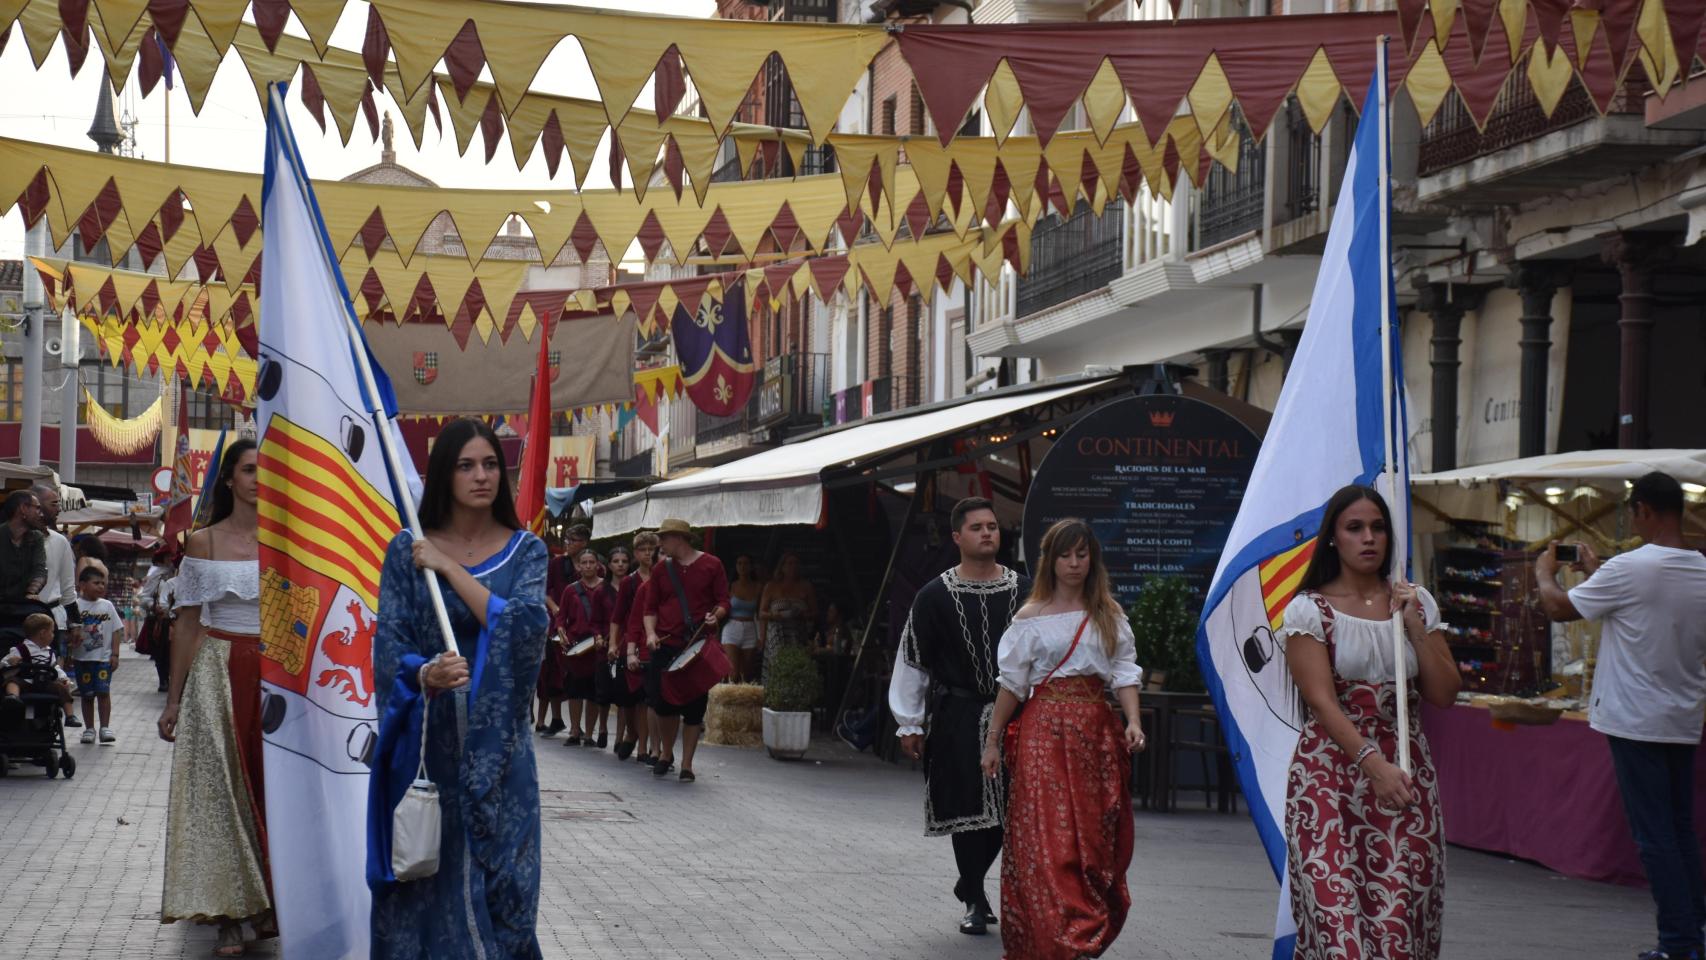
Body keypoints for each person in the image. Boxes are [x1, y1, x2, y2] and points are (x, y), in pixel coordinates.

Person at [368, 417, 550, 959]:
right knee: (425, 880)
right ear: (443, 474)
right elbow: (388, 646)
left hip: (500, 754)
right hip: (430, 750)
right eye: (466, 465)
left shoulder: (527, 551)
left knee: (508, 887)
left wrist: (449, 568)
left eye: (491, 464)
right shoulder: (407, 551)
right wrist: (424, 674)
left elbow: (522, 628)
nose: (481, 476)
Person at [1281, 484, 1459, 960]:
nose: (1369, 538)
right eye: (1355, 527)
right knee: (1337, 926)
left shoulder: (1414, 601)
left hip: (1405, 773)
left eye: (1378, 527)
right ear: (1334, 538)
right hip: (1331, 778)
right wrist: (1370, 764)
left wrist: (1415, 627)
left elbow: (1444, 693)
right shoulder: (1308, 609)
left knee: (1398, 922)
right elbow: (1322, 704)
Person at [1536, 471, 1706, 960]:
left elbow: (1558, 608)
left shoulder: (1631, 567)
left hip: (1635, 719)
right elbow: (1636, 609)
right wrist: (1596, 572)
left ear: (1644, 511)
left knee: (1655, 837)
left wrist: (1544, 572)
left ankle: (1678, 943)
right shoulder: (1698, 569)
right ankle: (1691, 933)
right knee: (1680, 830)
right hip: (1681, 717)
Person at [980, 518, 1145, 960]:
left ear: (1093, 560)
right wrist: (993, 740)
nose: (1073, 564)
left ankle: (1082, 932)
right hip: (1042, 733)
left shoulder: (1108, 614)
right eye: (1064, 555)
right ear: (1049, 561)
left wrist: (1133, 721)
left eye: (1081, 554)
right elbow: (1012, 685)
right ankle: (1062, 940)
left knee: (1090, 838)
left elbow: (1125, 672)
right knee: (1047, 837)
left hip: (1095, 732)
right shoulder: (1029, 618)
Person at [888, 496, 1030, 936]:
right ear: (957, 537)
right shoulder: (933, 596)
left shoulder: (1027, 591)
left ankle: (969, 880)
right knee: (966, 810)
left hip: (1018, 716)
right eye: (977, 527)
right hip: (958, 714)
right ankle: (974, 896)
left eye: (992, 526)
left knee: (1012, 810)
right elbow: (912, 658)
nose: (988, 533)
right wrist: (909, 721)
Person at [156, 438, 273, 956]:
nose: (258, 479)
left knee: (272, 788)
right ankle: (227, 914)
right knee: (220, 795)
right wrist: (174, 700)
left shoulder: (291, 542)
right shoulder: (201, 542)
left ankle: (269, 902)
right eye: (249, 470)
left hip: (277, 676)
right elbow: (186, 625)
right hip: (218, 671)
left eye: (266, 471)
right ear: (229, 479)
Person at [642, 518, 729, 782]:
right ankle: (667, 753)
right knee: (665, 705)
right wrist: (650, 634)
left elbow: (723, 600)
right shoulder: (661, 570)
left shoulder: (712, 565)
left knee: (694, 707)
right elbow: (650, 608)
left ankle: (687, 764)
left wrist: (717, 616)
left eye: (664, 539)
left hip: (697, 645)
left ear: (678, 538)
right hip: (666, 644)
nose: (660, 544)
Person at [558, 548, 616, 748]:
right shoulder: (571, 590)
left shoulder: (607, 589)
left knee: (594, 691)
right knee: (575, 689)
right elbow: (561, 616)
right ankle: (575, 730)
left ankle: (590, 733)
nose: (589, 566)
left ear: (598, 565)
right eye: (585, 562)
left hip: (599, 645)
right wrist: (561, 630)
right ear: (579, 566)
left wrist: (608, 638)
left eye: (592, 562)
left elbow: (614, 617)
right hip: (577, 644)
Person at [536, 525, 590, 735]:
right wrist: (556, 609)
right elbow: (544, 590)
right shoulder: (557, 564)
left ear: (584, 542)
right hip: (557, 624)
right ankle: (556, 718)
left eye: (573, 539)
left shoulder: (593, 563)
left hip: (583, 626)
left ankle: (581, 726)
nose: (568, 543)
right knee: (553, 672)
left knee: (580, 674)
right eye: (567, 538)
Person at [613, 532, 659, 764]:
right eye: (643, 549)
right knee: (628, 699)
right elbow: (619, 617)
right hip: (630, 641)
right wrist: (614, 643)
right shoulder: (630, 582)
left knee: (646, 698)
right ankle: (632, 733)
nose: (648, 553)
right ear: (636, 554)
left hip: (652, 641)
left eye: (652, 548)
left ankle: (645, 746)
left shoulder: (663, 578)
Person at [69, 566, 123, 745]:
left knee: (103, 692)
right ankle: (89, 728)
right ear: (83, 584)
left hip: (103, 659)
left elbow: (116, 630)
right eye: (96, 583)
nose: (101, 587)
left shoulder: (107, 606)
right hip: (82, 659)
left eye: (103, 583)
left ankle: (105, 727)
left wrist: (115, 654)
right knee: (87, 695)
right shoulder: (75, 606)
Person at [1, 613, 74, 722]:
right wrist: (10, 662)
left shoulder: (49, 652)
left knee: (61, 688)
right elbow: (3, 663)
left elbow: (56, 668)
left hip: (45, 683)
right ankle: (13, 697)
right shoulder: (20, 649)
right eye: (52, 632)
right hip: (26, 682)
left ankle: (70, 716)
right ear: (43, 633)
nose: (53, 635)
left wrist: (64, 678)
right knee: (13, 681)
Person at [759, 552, 816, 681]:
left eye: (796, 563)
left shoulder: (806, 586)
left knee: (797, 668)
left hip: (798, 634)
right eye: (790, 563)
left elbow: (815, 613)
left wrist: (802, 615)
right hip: (777, 634)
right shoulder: (771, 586)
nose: (793, 566)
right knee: (778, 667)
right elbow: (762, 613)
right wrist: (774, 615)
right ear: (782, 567)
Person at [0, 490, 47, 603]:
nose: (41, 514)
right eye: (37, 508)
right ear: (23, 508)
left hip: (22, 604)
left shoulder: (36, 537)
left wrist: (31, 593)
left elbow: (40, 569)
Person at [725, 555, 762, 683]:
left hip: (750, 627)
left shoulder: (758, 587)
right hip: (732, 627)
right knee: (733, 673)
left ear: (751, 567)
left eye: (746, 563)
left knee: (746, 674)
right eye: (739, 563)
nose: (742, 566)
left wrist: (760, 636)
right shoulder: (730, 586)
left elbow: (759, 614)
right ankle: (728, 700)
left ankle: (743, 702)